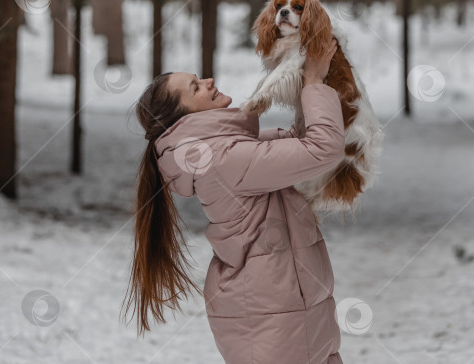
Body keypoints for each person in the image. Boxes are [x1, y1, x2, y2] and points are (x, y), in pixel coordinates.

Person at [122, 38, 345, 363]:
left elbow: (297, 145)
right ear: (183, 116)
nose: (209, 81)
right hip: (271, 315)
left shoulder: (227, 151)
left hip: (288, 314)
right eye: (195, 87)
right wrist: (313, 81)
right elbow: (321, 149)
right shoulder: (221, 159)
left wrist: (306, 77)